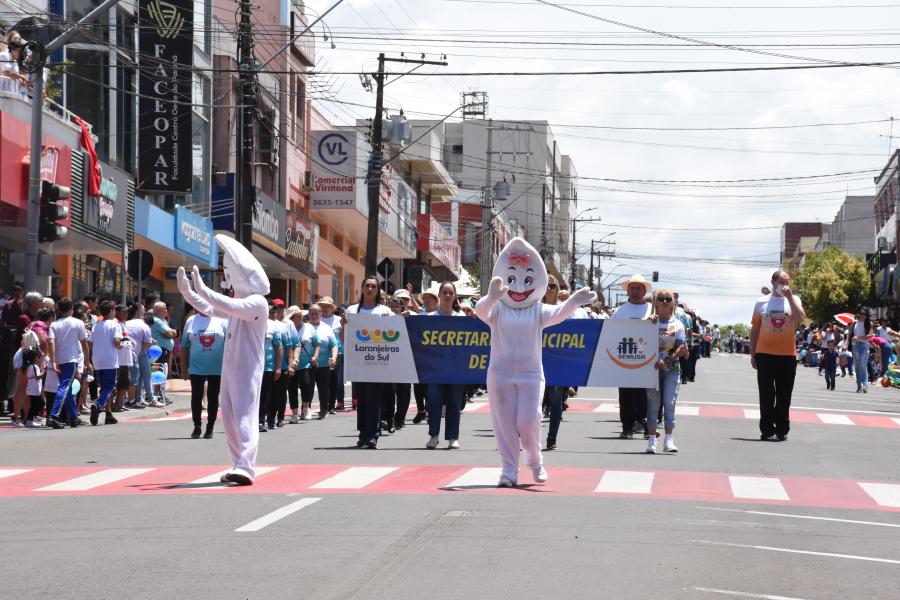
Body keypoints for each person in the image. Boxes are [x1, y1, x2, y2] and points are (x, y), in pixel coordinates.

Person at [475, 238, 595, 487]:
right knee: (504, 424)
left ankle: (534, 458)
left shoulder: (538, 310)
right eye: (512, 279)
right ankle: (509, 470)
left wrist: (573, 301)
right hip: (500, 375)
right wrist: (491, 298)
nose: (519, 287)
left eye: (527, 280)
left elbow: (559, 314)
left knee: (529, 420)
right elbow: (481, 312)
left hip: (530, 375)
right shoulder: (498, 310)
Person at [176, 235, 270, 486]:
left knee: (245, 415)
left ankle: (246, 466)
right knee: (229, 416)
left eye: (229, 273)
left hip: (247, 369)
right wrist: (188, 293)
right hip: (229, 367)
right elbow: (210, 308)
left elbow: (226, 305)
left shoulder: (257, 302)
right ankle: (238, 463)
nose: (227, 279)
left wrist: (204, 290)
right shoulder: (238, 303)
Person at [750, 270, 806, 441]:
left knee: (784, 394)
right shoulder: (761, 302)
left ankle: (782, 429)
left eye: (787, 282)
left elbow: (801, 318)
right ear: (774, 282)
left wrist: (789, 298)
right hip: (765, 353)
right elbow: (755, 328)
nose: (785, 286)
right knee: (766, 394)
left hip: (787, 354)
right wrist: (753, 353)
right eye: (782, 282)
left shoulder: (794, 299)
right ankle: (767, 430)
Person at [344, 276, 393, 449]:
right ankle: (363, 432)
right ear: (362, 288)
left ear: (377, 290)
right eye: (367, 286)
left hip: (377, 362)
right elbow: (344, 338)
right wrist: (344, 326)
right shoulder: (351, 310)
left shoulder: (385, 311)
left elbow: (394, 332)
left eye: (373, 286)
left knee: (373, 399)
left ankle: (373, 435)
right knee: (362, 400)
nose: (370, 289)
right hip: (358, 363)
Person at [424, 281, 466, 450]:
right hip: (435, 369)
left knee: (454, 402)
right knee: (434, 401)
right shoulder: (429, 318)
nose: (448, 296)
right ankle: (433, 436)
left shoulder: (462, 319)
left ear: (455, 296)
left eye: (451, 292)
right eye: (445, 292)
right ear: (440, 295)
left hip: (456, 369)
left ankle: (453, 437)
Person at [611, 275, 654, 439]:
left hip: (646, 359)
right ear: (628, 291)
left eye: (639, 288)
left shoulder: (652, 309)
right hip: (624, 358)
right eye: (632, 288)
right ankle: (627, 428)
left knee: (644, 394)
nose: (635, 291)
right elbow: (611, 333)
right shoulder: (619, 311)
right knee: (625, 395)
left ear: (644, 291)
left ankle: (645, 425)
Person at [646, 289, 687, 454]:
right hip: (652, 369)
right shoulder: (649, 321)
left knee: (669, 403)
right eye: (661, 299)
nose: (664, 302)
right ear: (655, 302)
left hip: (671, 368)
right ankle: (651, 440)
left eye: (668, 299)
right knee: (653, 405)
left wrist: (667, 360)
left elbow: (681, 347)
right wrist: (645, 324)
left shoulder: (678, 324)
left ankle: (668, 439)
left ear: (673, 304)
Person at [181, 309, 227, 439]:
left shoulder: (222, 320)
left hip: (216, 368)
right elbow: (184, 346)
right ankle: (197, 426)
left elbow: (231, 344)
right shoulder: (191, 321)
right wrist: (184, 368)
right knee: (196, 396)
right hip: (196, 368)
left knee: (213, 397)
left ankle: (210, 427)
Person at [47, 298, 91, 429]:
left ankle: (73, 417)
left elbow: (51, 342)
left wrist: (53, 360)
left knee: (68, 388)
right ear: (71, 308)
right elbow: (84, 344)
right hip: (70, 360)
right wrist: (87, 361)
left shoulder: (54, 325)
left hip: (59, 360)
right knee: (65, 387)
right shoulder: (78, 323)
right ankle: (53, 415)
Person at [541, 275, 567, 450]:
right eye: (546, 286)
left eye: (552, 286)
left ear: (558, 289)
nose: (549, 289)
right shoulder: (533, 307)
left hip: (557, 364)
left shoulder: (563, 309)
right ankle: (527, 438)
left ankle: (552, 438)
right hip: (534, 361)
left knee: (556, 403)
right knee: (532, 404)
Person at [89, 300, 122, 426]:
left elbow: (90, 343)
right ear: (111, 311)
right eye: (114, 310)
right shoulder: (114, 325)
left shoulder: (96, 326)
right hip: (109, 359)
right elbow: (117, 342)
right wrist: (123, 344)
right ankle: (98, 405)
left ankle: (108, 413)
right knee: (109, 386)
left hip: (97, 359)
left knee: (103, 387)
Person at [259, 303, 283, 432]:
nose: (271, 313)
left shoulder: (273, 326)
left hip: (268, 367)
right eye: (269, 311)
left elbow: (278, 347)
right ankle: (257, 420)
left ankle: (263, 420)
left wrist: (278, 367)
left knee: (265, 394)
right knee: (255, 395)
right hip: (253, 367)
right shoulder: (252, 323)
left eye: (273, 311)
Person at [318, 297, 345, 411]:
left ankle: (336, 403)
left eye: (327, 306)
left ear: (332, 308)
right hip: (321, 353)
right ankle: (325, 403)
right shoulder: (317, 319)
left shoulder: (339, 320)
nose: (324, 308)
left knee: (335, 378)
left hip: (337, 352)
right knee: (323, 379)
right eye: (322, 306)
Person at [124, 304, 153, 408]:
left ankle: (128, 400)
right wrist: (140, 352)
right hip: (133, 355)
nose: (145, 312)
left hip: (122, 355)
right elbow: (148, 343)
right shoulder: (144, 326)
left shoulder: (125, 323)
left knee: (125, 378)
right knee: (135, 378)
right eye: (143, 310)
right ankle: (132, 401)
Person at [150, 301, 176, 405]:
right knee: (158, 373)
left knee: (161, 372)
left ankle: (159, 394)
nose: (166, 310)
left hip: (161, 350)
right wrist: (171, 332)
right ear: (157, 310)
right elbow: (169, 333)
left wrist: (171, 332)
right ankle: (158, 395)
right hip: (158, 351)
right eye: (164, 308)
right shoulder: (157, 321)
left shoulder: (162, 320)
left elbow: (171, 333)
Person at [850, 308, 874, 393]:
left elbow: (870, 336)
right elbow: (849, 335)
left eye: (865, 314)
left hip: (864, 345)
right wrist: (846, 344)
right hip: (855, 346)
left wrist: (858, 337)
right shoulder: (854, 323)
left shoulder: (869, 324)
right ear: (859, 314)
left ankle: (865, 385)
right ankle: (859, 385)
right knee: (857, 367)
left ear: (867, 315)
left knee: (863, 366)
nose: (863, 316)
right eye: (861, 314)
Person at [22, 348, 44, 428]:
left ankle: (32, 419)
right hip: (33, 390)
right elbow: (38, 377)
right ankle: (30, 420)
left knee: (37, 404)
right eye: (39, 357)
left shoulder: (30, 366)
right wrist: (44, 371)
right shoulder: (34, 366)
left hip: (33, 389)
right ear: (36, 357)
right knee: (38, 404)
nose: (40, 359)